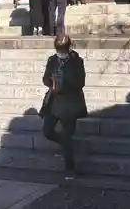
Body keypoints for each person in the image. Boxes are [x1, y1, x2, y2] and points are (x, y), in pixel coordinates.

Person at [40, 34, 87, 180]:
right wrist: (51, 81)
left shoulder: (76, 61)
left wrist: (65, 80)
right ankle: (66, 146)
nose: (60, 53)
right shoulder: (53, 60)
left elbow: (80, 82)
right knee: (47, 130)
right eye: (58, 50)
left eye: (62, 50)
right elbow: (45, 77)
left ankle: (69, 168)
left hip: (70, 102)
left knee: (67, 135)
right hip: (54, 102)